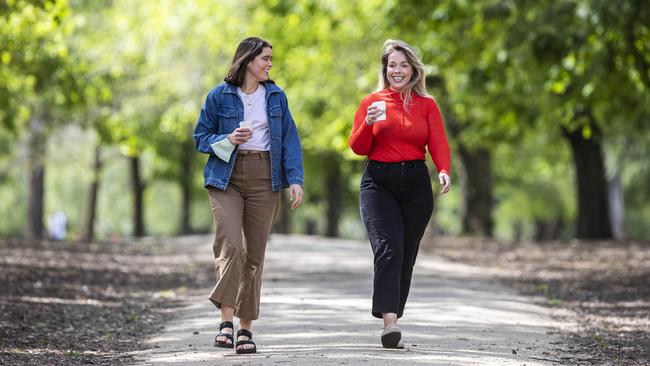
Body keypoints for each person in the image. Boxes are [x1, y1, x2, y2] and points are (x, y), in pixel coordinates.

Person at [193, 36, 304, 354]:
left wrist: (294, 179)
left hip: (265, 177)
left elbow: (290, 141)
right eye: (265, 58)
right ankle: (225, 322)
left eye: (271, 59)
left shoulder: (276, 97)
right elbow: (200, 137)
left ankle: (244, 329)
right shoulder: (219, 96)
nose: (270, 64)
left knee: (254, 255)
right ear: (247, 60)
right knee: (232, 245)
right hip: (225, 176)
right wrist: (228, 138)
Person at [348, 39, 452, 349]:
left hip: (417, 184)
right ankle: (389, 323)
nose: (397, 70)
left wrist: (444, 169)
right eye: (392, 65)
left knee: (406, 255)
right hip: (379, 183)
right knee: (388, 248)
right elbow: (358, 147)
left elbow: (439, 142)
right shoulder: (372, 102)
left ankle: (393, 311)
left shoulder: (427, 104)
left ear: (413, 70)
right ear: (385, 69)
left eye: (403, 65)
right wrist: (367, 124)